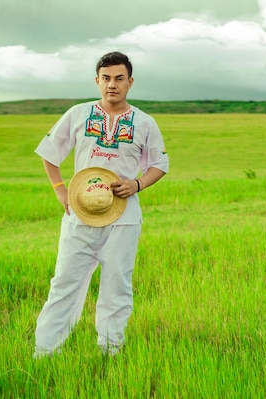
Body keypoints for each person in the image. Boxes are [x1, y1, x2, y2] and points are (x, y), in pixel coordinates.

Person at [33, 51, 169, 357]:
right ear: (97, 81)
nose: (112, 85)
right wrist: (60, 190)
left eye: (119, 79)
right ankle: (44, 353)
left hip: (123, 218)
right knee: (64, 284)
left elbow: (159, 163)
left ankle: (111, 353)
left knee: (117, 287)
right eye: (106, 78)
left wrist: (137, 184)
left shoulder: (145, 122)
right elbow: (49, 152)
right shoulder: (78, 114)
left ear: (130, 82)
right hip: (79, 216)